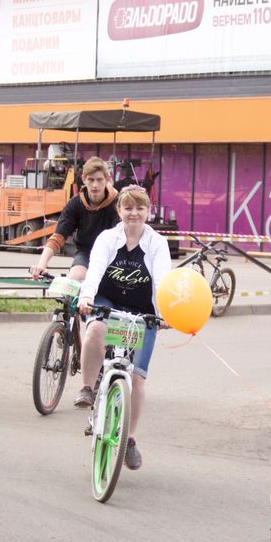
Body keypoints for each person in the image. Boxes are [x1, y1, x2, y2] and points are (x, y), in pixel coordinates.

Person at [74, 185, 171, 470]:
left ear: (148, 211)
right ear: (119, 211)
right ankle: (87, 388)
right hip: (107, 301)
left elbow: (163, 281)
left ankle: (129, 439)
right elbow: (95, 270)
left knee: (138, 379)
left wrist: (163, 314)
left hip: (144, 310)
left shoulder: (157, 243)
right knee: (95, 331)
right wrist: (87, 298)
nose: (134, 213)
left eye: (140, 208)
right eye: (128, 207)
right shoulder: (107, 238)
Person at [29, 156, 120, 282]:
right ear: (83, 179)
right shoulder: (75, 204)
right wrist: (41, 265)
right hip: (85, 252)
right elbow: (58, 237)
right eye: (91, 179)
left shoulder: (118, 204)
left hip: (113, 255)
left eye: (99, 180)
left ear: (107, 179)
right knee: (75, 279)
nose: (95, 185)